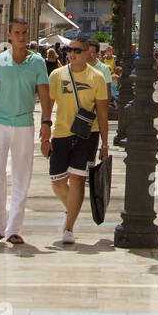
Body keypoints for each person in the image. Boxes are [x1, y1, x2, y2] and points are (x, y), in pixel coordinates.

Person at [0, 19, 52, 246]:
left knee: (22, 175)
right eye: (17, 33)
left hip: (24, 123)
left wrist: (46, 124)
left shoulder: (37, 62)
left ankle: (13, 228)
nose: (21, 37)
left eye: (24, 32)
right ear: (9, 35)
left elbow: (46, 96)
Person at [43, 36, 109, 243]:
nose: (71, 53)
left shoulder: (97, 77)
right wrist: (45, 131)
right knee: (57, 180)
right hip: (62, 132)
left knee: (78, 178)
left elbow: (103, 112)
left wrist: (105, 144)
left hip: (88, 134)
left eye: (77, 51)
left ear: (88, 53)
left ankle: (68, 227)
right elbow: (48, 106)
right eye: (69, 49)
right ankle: (72, 209)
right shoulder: (56, 75)